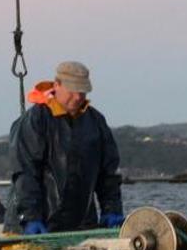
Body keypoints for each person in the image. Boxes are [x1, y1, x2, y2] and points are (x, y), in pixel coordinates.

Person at [8, 61, 124, 234]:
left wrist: (111, 208)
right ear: (56, 85)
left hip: (82, 225)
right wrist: (30, 217)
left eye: (82, 91)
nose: (78, 97)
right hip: (37, 225)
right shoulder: (35, 120)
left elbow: (108, 172)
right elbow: (25, 172)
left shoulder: (96, 121)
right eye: (72, 91)